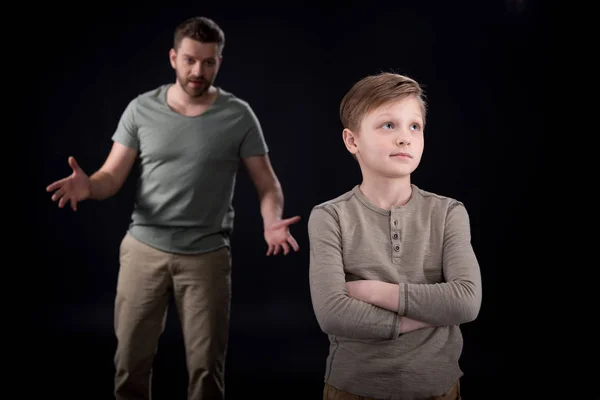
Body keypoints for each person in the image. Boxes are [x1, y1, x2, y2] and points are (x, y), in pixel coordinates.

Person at [46, 16, 300, 400]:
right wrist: (89, 187)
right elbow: (110, 177)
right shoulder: (140, 109)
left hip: (207, 257)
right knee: (130, 364)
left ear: (219, 61)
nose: (199, 71)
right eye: (190, 60)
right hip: (143, 252)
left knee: (206, 372)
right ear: (173, 58)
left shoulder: (238, 115)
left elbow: (268, 185)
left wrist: (271, 221)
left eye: (209, 62)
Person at [307, 72, 482, 400]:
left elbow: (466, 301)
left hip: (438, 389)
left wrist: (374, 291)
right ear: (352, 140)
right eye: (388, 125)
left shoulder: (448, 213)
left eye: (414, 126)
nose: (405, 138)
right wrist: (431, 315)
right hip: (353, 389)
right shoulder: (329, 217)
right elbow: (332, 312)